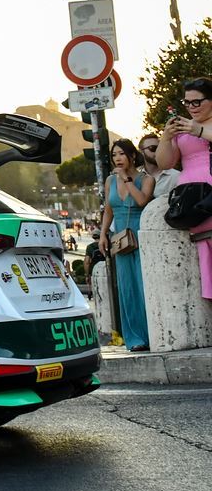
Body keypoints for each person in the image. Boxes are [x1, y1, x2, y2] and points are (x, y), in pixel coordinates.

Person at [158, 76, 212, 301]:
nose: (191, 107)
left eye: (196, 102)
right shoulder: (183, 129)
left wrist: (198, 130)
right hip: (191, 203)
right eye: (187, 102)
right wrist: (166, 137)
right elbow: (165, 163)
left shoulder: (196, 127)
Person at [99, 138, 153, 351]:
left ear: (132, 155)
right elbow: (108, 210)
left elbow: (141, 201)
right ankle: (135, 338)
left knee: (143, 286)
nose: (117, 158)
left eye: (121, 154)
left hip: (141, 237)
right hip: (120, 240)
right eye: (114, 155)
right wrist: (103, 234)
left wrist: (126, 179)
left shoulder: (146, 179)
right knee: (127, 288)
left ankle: (152, 334)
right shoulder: (109, 181)